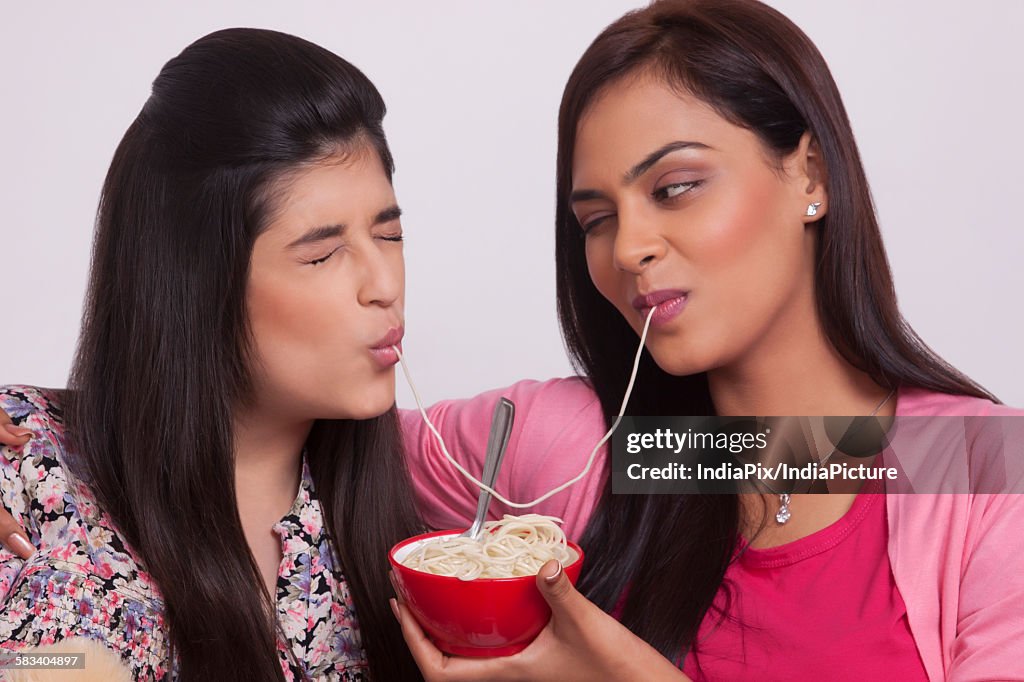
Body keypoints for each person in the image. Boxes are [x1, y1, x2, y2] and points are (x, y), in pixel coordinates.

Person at [4, 1, 1023, 680]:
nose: (630, 247)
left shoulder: (977, 472)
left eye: (675, 187)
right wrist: (31, 449)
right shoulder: (599, 451)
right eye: (592, 217)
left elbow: (869, 451)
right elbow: (248, 429)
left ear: (810, 174)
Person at [0, 28, 423, 681]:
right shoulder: (26, 461)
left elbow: (627, 446)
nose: (385, 286)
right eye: (322, 254)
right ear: (199, 281)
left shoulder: (437, 470)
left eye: (389, 234)